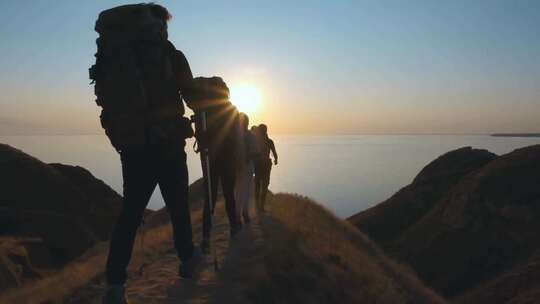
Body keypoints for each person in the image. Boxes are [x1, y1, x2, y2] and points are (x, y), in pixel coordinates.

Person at [91, 4, 200, 304]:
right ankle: (188, 262)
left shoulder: (118, 52)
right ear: (161, 24)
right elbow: (191, 93)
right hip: (168, 145)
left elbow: (105, 97)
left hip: (135, 147)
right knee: (179, 207)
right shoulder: (170, 53)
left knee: (130, 215)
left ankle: (114, 285)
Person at [199, 78, 241, 253]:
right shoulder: (230, 109)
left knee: (210, 198)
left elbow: (200, 135)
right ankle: (233, 228)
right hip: (225, 158)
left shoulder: (204, 109)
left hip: (211, 158)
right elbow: (237, 136)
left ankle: (207, 237)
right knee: (228, 194)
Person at [235, 113, 260, 225]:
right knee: (244, 191)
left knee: (239, 191)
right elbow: (256, 153)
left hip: (240, 167)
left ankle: (239, 215)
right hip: (245, 168)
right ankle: (242, 214)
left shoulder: (235, 136)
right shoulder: (250, 136)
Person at [254, 124, 278, 211]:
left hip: (259, 164)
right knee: (264, 185)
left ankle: (258, 205)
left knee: (258, 184)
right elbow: (274, 153)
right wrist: (276, 160)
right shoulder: (269, 141)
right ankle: (261, 206)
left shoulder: (257, 141)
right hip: (266, 165)